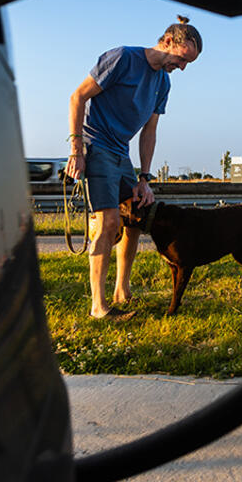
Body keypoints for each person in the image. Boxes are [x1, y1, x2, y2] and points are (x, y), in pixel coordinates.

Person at [65, 16, 202, 319]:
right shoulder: (123, 59)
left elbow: (149, 131)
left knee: (136, 219)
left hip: (121, 153)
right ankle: (98, 306)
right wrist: (76, 149)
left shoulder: (163, 83)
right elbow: (78, 97)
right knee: (109, 223)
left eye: (188, 64)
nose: (182, 68)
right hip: (96, 145)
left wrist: (144, 178)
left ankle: (121, 291)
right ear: (168, 41)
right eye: (182, 59)